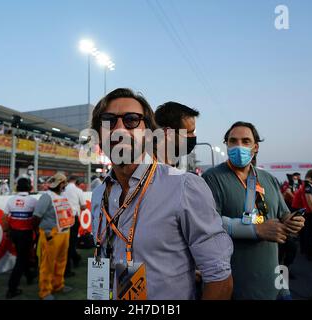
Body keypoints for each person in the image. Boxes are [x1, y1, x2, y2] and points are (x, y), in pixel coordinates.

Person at [90, 88, 233, 300]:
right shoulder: (99, 194)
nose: (119, 129)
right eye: (108, 121)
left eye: (131, 120)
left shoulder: (184, 187)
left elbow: (219, 279)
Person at [202, 121, 305, 300]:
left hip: (272, 281)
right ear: (226, 144)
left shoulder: (268, 178)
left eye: (245, 141)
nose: (238, 146)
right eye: (233, 141)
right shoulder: (212, 178)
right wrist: (255, 230)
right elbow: (206, 224)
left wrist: (292, 221)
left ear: (255, 147)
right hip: (234, 285)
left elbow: (282, 213)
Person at [33, 173, 74, 300]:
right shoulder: (46, 197)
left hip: (63, 233)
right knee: (48, 264)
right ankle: (45, 291)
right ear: (60, 184)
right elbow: (36, 216)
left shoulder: (61, 196)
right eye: (63, 184)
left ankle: (58, 285)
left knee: (61, 261)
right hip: (51, 234)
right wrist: (40, 233)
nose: (64, 186)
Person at [2, 177, 37, 298]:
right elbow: (37, 219)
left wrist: (6, 231)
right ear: (30, 187)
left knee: (23, 255)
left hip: (14, 233)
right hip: (26, 234)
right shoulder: (33, 201)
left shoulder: (11, 200)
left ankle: (29, 276)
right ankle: (12, 288)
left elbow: (4, 217)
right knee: (21, 259)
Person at [154, 101, 199, 166]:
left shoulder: (173, 162)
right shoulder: (147, 166)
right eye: (188, 133)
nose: (193, 136)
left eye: (193, 132)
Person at [63, 175, 86, 276]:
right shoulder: (78, 191)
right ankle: (70, 265)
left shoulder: (62, 190)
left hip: (62, 219)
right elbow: (84, 207)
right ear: (76, 181)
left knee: (65, 244)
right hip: (73, 218)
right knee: (71, 243)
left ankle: (73, 260)